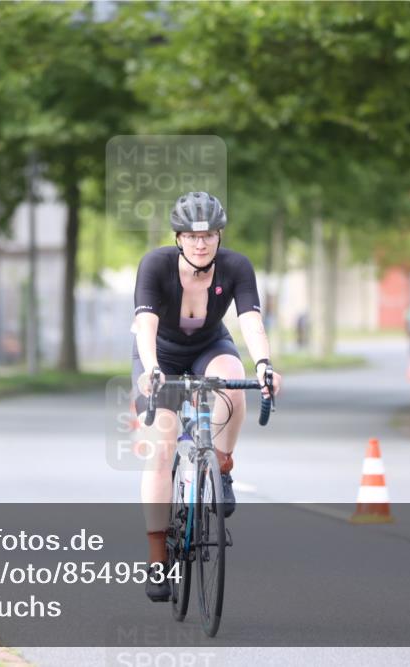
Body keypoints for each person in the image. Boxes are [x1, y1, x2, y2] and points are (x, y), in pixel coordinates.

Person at [130, 191, 282, 602]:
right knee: (162, 450)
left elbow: (250, 319)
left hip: (209, 347)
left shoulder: (235, 267)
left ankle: (222, 465)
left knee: (233, 381)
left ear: (219, 237)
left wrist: (264, 364)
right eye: (193, 236)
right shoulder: (156, 265)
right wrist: (150, 370)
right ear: (178, 238)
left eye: (210, 235)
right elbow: (144, 323)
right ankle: (158, 557)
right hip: (159, 354)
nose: (202, 243)